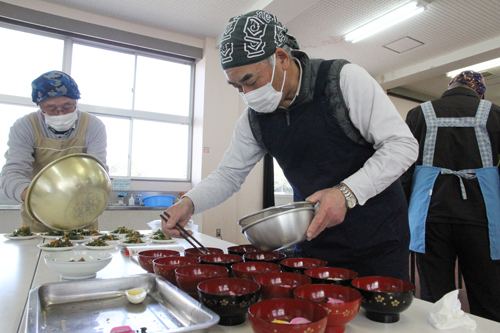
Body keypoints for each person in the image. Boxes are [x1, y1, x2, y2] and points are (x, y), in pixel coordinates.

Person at [162, 10, 418, 280]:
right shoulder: (254, 120)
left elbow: (402, 145)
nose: (246, 95)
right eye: (237, 87)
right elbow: (229, 174)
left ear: (282, 58)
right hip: (314, 242)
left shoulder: (341, 81)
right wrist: (189, 203)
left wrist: (345, 193)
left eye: (250, 80)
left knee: (381, 321)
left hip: (378, 238)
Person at [401, 71, 500, 321]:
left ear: (449, 87)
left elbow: (403, 169)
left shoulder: (418, 114)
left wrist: (400, 214)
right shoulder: (495, 113)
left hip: (428, 216)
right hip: (483, 218)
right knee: (488, 296)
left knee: (437, 299)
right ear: (479, 92)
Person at [1, 70, 107, 232]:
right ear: (39, 106)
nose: (60, 113)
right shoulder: (25, 126)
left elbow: (98, 170)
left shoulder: (93, 126)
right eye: (50, 108)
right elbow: (13, 172)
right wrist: (32, 197)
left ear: (76, 102)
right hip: (39, 219)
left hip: (83, 216)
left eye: (67, 106)